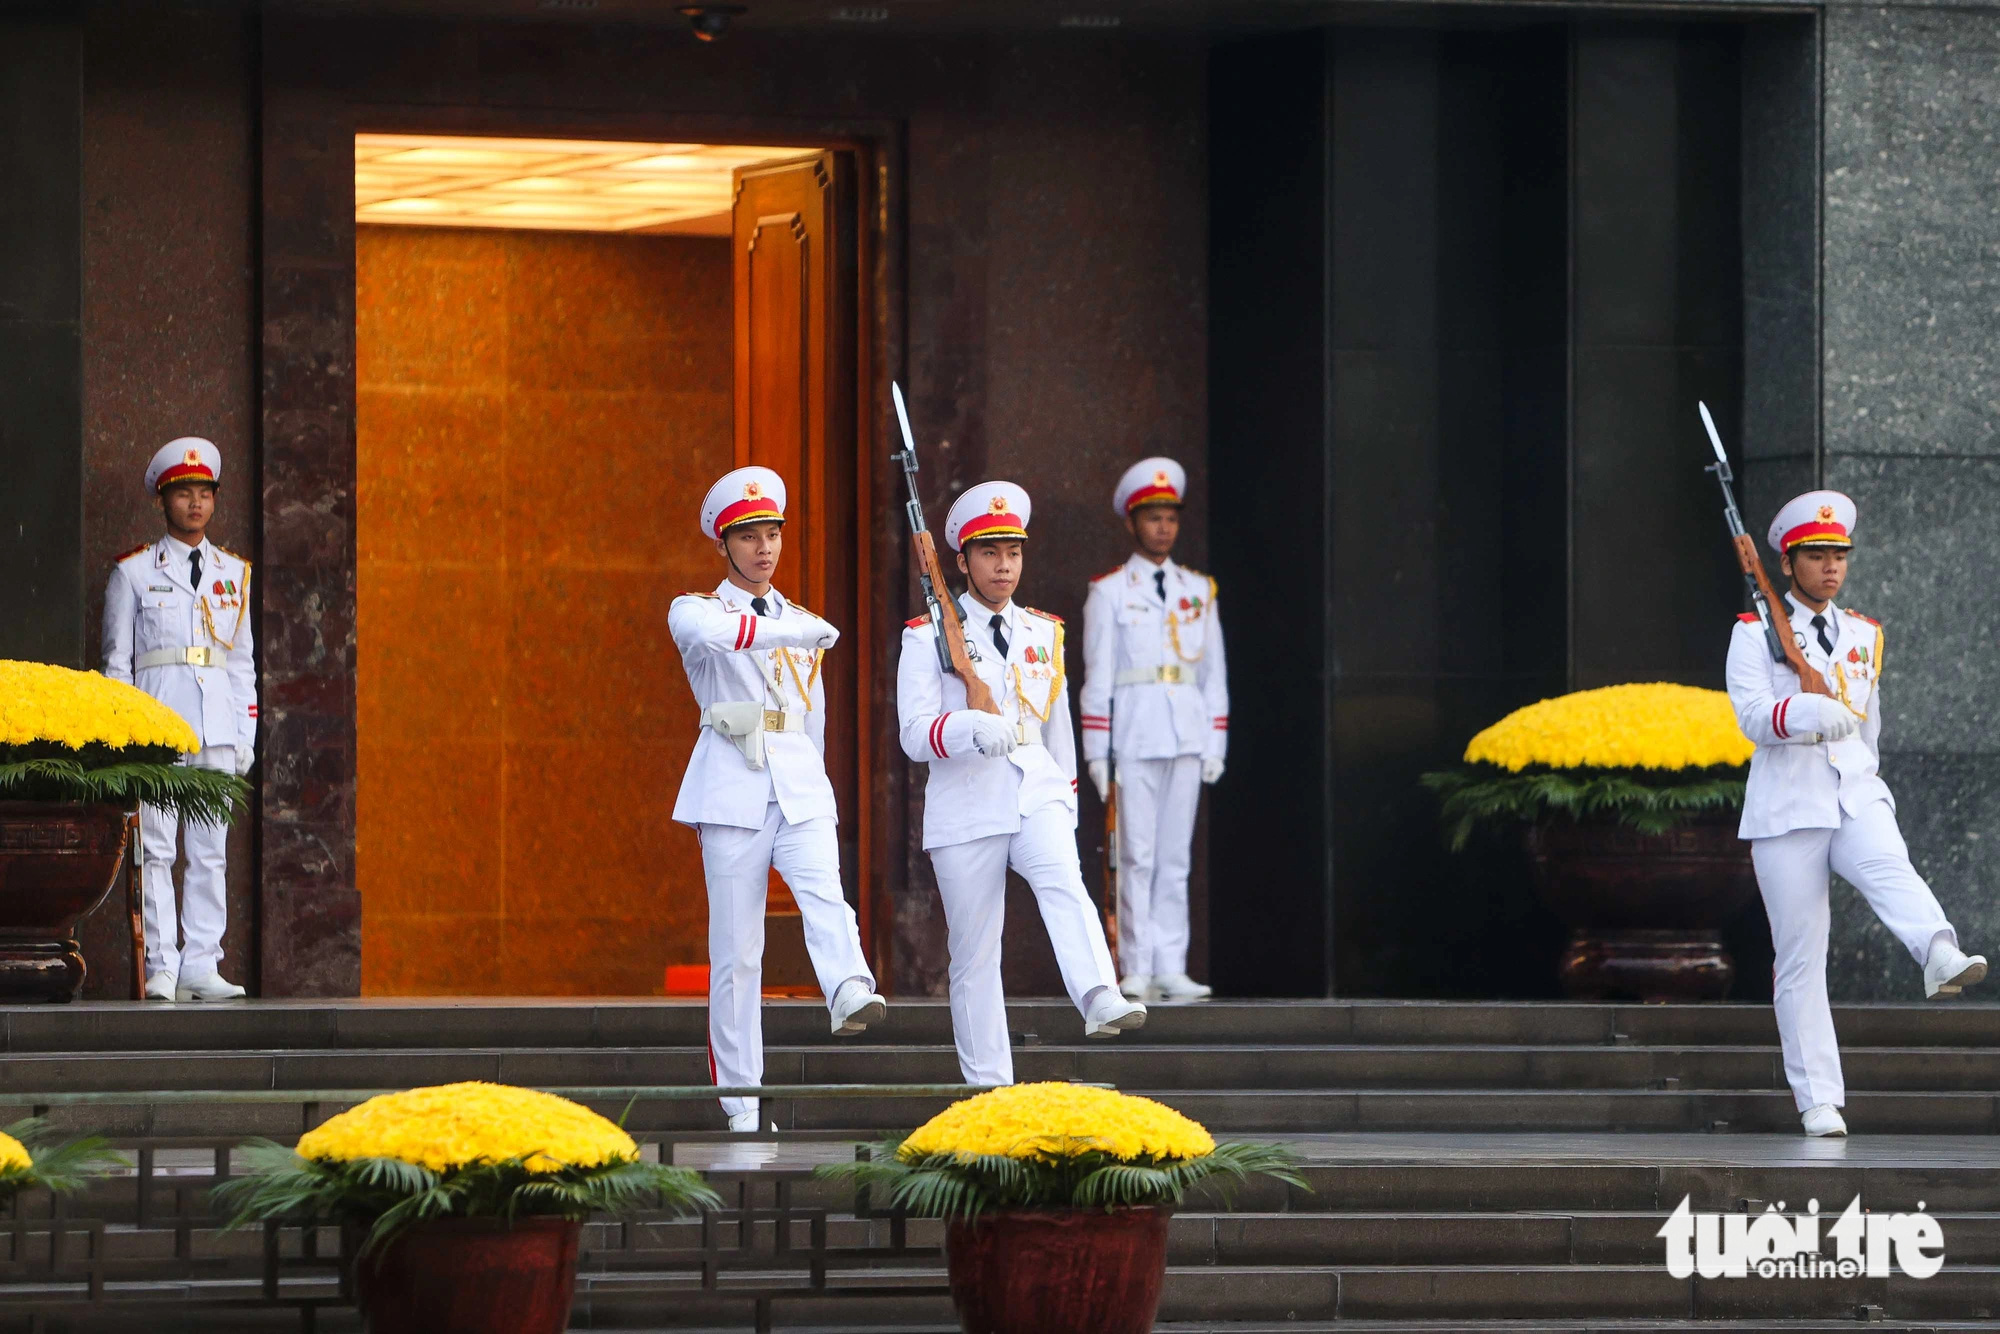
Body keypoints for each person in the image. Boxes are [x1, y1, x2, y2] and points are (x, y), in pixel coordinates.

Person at [1726, 489, 1986, 1138]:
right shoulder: (1754, 632)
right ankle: (1819, 1099)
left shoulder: (1865, 634)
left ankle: (1938, 949)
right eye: (1816, 556)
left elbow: (1870, 725)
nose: (1831, 567)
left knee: (1888, 863)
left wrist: (1869, 781)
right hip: (1788, 810)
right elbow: (1753, 717)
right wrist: (1808, 713)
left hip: (1852, 790)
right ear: (1787, 563)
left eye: (1839, 554)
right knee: (1800, 958)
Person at [896, 480, 1144, 1086]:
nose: (1004, 565)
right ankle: (990, 1088)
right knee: (976, 955)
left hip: (1036, 788)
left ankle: (1097, 994)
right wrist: (968, 729)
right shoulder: (926, 635)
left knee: (1065, 882)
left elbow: (1057, 722)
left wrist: (1066, 797)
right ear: (963, 560)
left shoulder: (1043, 631)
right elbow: (913, 732)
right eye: (989, 553)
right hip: (966, 800)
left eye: (1013, 552)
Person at [669, 466, 885, 1133]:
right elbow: (709, 640)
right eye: (750, 536)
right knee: (738, 951)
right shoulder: (697, 609)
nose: (764, 548)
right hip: (731, 786)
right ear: (724, 543)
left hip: (795, 780)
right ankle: (741, 1102)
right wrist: (790, 634)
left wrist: (817, 785)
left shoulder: (802, 621)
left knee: (825, 889)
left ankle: (849, 985)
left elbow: (811, 716)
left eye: (773, 535)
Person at [102, 437, 256, 1002]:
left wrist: (246, 733)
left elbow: (241, 663)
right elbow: (117, 664)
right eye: (184, 493)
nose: (195, 504)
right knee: (158, 849)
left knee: (209, 852)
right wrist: (127, 734)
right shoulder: (137, 573)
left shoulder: (233, 574)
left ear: (214, 501)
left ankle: (201, 964)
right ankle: (162, 963)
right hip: (158, 728)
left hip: (215, 726)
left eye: (204, 494)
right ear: (163, 500)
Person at [1078, 458, 1228, 1005]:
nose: (1163, 527)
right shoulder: (1111, 591)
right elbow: (1097, 677)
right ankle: (1135, 964)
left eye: (1170, 517)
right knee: (1135, 855)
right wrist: (1098, 752)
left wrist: (1215, 741)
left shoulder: (1198, 590)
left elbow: (1213, 675)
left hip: (1186, 736)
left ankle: (1172, 964)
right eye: (1152, 517)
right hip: (1135, 738)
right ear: (1131, 523)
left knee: (1175, 856)